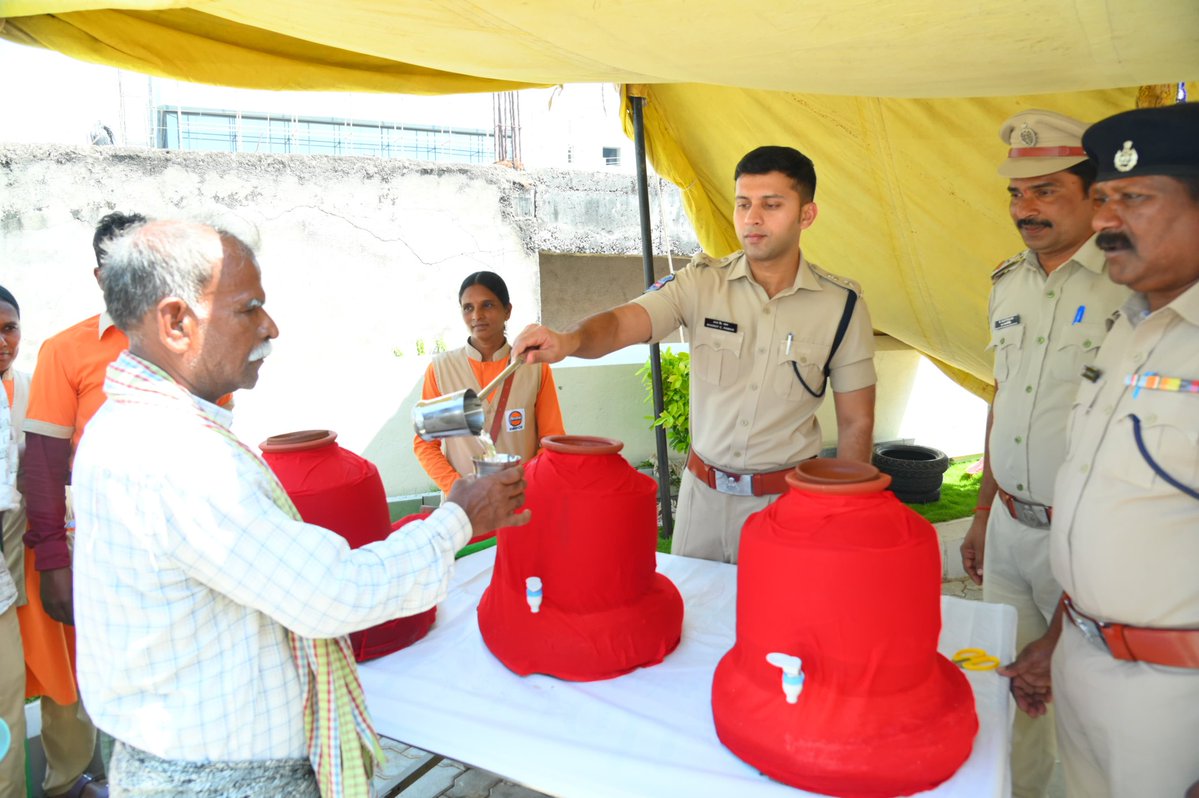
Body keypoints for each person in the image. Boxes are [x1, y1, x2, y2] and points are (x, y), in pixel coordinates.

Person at [70, 218, 530, 796]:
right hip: (223, 778)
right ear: (176, 322)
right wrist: (457, 516)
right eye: (249, 308)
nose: (271, 326)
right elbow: (332, 591)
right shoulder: (175, 456)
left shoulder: (142, 430)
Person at [514, 145, 876, 563]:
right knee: (691, 620)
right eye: (743, 204)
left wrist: (845, 512)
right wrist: (569, 340)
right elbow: (621, 323)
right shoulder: (701, 284)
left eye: (771, 205)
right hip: (702, 503)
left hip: (787, 508)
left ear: (806, 215)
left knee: (776, 624)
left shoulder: (841, 306)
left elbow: (856, 421)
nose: (752, 218)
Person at [956, 110, 1130, 798]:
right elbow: (1005, 399)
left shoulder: (1126, 287)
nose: (1023, 209)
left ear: (1093, 198)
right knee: (1006, 692)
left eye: (1045, 190)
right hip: (1007, 526)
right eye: (1015, 194)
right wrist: (978, 513)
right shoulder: (1007, 282)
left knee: (1083, 706)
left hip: (1083, 534)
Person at [1042, 102, 1199, 798]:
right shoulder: (1125, 328)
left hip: (1172, 705)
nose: (1103, 220)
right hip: (1079, 666)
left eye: (1132, 198)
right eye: (1102, 198)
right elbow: (1096, 503)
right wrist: (1053, 637)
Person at [19, 212, 153, 798]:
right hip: (100, 543)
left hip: (180, 538)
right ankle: (77, 783)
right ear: (99, 276)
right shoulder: (65, 350)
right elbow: (44, 467)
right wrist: (51, 559)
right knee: (86, 673)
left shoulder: (190, 339)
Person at [413, 271, 565, 494]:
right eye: (468, 308)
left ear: (507, 311)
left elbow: (553, 441)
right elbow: (426, 444)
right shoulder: (441, 370)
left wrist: (521, 481)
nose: (477, 315)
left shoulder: (534, 367)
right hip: (464, 508)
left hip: (522, 499)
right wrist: (457, 487)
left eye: (487, 305)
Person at [1, 284, 30, 798]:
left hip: (18, 550)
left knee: (8, 694)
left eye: (8, 328)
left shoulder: (25, 389)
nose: (2, 342)